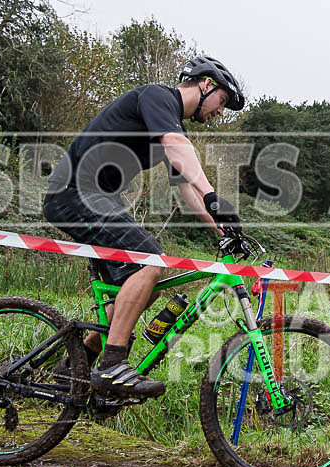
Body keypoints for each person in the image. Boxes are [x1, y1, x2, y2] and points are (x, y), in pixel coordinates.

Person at [43, 56, 244, 398]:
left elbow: (186, 188)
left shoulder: (170, 125)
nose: (220, 112)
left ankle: (73, 369)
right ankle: (112, 364)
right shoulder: (157, 97)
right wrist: (213, 194)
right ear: (206, 84)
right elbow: (178, 149)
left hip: (97, 198)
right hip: (75, 193)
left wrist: (223, 230)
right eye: (222, 101)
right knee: (150, 261)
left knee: (141, 291)